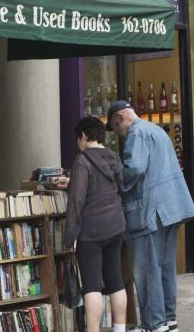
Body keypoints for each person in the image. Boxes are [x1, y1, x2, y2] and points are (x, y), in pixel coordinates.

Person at [106, 101, 194, 332]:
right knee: (165, 266)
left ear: (119, 118)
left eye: (115, 129)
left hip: (150, 210)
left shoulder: (136, 133)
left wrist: (115, 181)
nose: (118, 134)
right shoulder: (155, 130)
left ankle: (153, 324)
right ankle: (169, 319)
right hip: (171, 207)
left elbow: (134, 168)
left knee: (146, 269)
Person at [64, 116, 128, 332]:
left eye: (77, 139)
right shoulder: (114, 157)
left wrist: (69, 237)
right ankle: (120, 329)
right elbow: (122, 189)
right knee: (116, 281)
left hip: (91, 231)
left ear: (83, 136)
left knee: (91, 286)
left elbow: (76, 201)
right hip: (116, 226)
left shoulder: (82, 161)